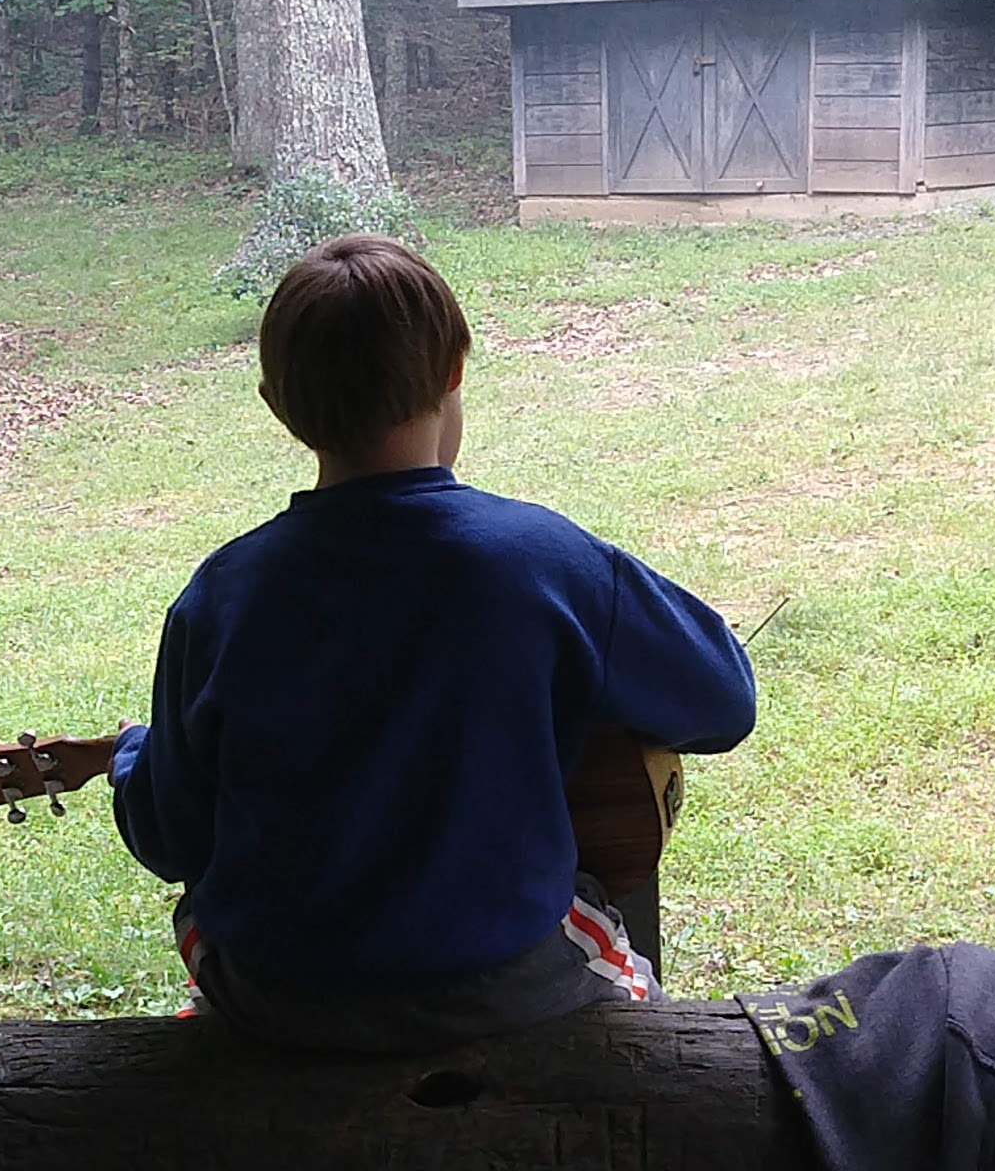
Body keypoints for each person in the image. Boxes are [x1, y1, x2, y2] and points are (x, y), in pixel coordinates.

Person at [108, 234, 756, 1053]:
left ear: (277, 405)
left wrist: (134, 759)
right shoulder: (542, 560)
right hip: (497, 983)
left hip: (276, 995)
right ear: (455, 368)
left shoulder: (222, 595)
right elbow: (726, 702)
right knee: (641, 1016)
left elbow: (171, 840)